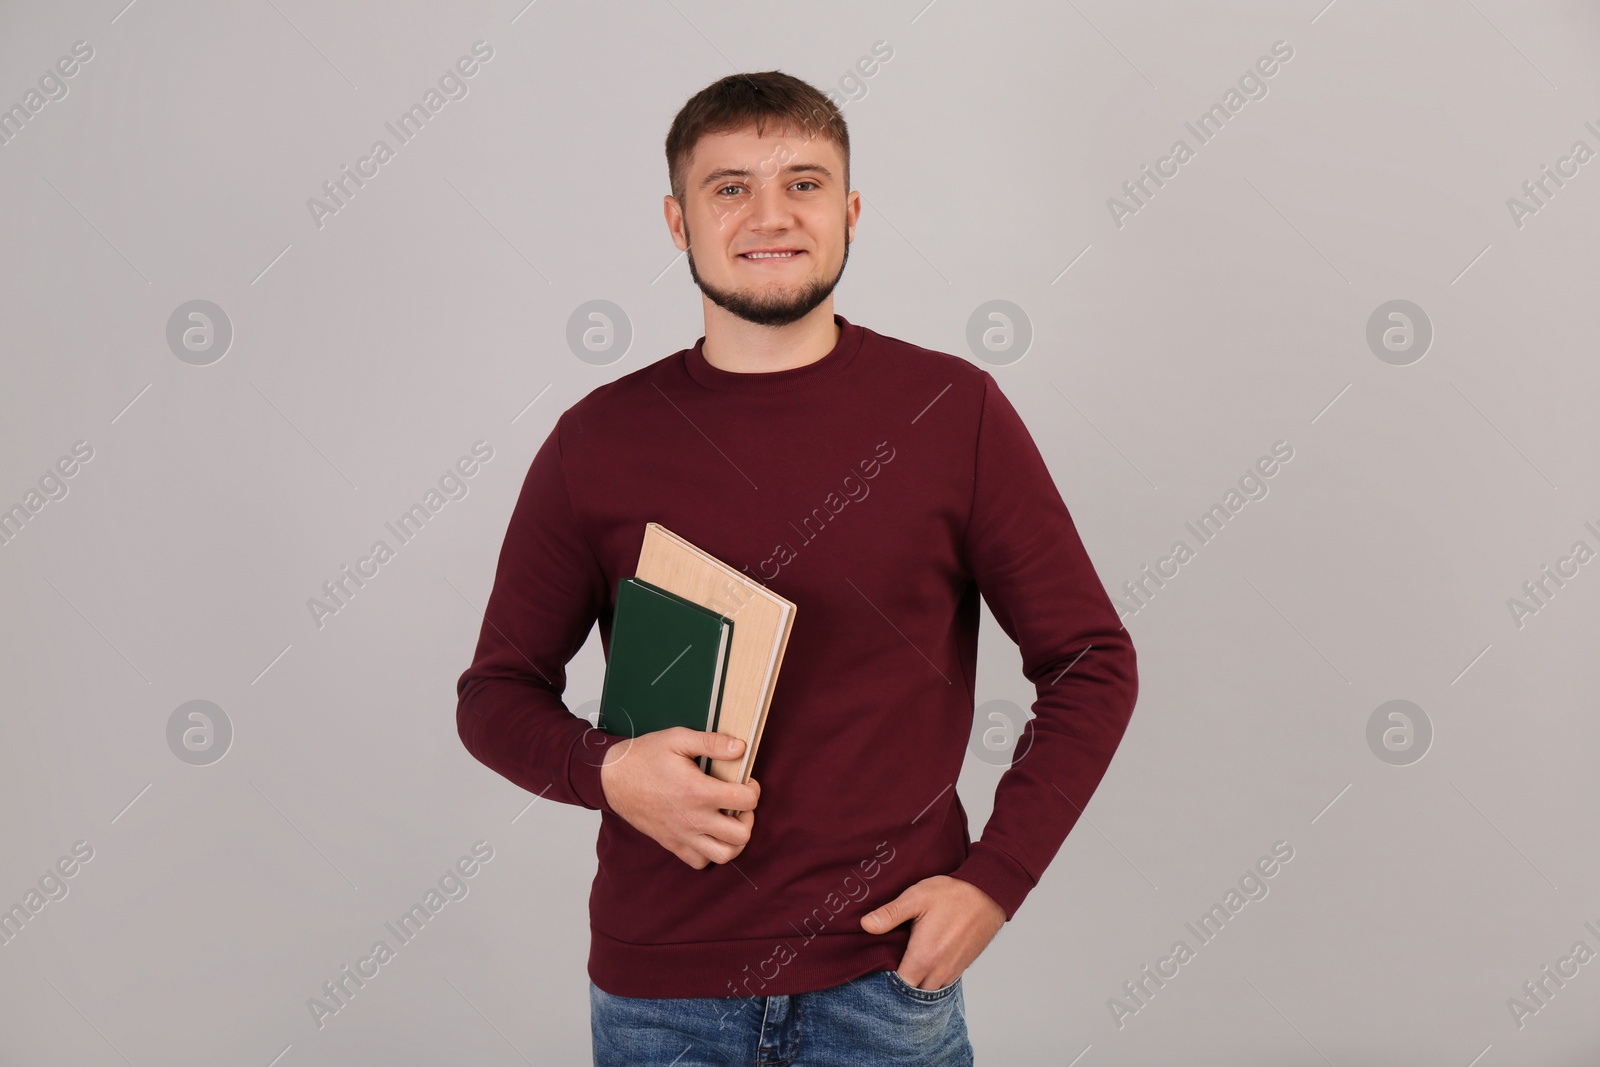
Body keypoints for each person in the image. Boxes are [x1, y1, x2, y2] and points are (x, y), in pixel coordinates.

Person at [455, 70, 1139, 1066]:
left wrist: (996, 878)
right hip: (659, 997)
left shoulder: (952, 413)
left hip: (882, 985)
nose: (768, 215)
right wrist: (607, 770)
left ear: (851, 210)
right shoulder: (595, 440)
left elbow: (1089, 659)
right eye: (729, 187)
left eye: (804, 183)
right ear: (676, 220)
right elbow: (495, 695)